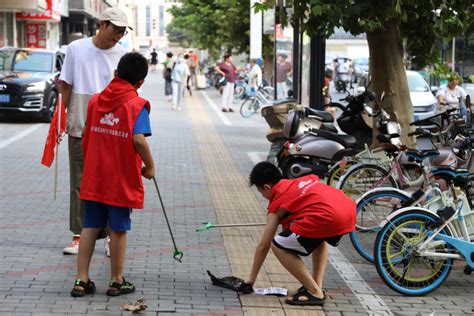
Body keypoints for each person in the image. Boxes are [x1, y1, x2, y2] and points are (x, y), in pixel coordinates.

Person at [71, 52, 155, 298]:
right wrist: (150, 167)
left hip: (95, 176)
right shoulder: (136, 105)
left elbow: (88, 134)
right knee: (118, 229)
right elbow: (138, 139)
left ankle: (81, 280)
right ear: (140, 82)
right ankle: (117, 281)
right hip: (120, 180)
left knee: (89, 226)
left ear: (116, 74)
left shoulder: (95, 101)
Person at [59, 7, 129, 255]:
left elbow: (129, 94)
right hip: (80, 125)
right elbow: (65, 86)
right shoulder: (76, 49)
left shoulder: (124, 54)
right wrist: (62, 119)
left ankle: (111, 235)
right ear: (102, 24)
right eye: (116, 29)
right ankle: (79, 235)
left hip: (112, 131)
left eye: (122, 31)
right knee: (78, 183)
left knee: (110, 184)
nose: (118, 36)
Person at [243, 162, 356, 306]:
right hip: (348, 209)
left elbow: (264, 245)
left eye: (260, 191)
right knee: (318, 237)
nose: (263, 195)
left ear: (267, 187)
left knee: (278, 245)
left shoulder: (278, 203)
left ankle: (314, 292)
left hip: (329, 217)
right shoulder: (299, 181)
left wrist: (251, 279)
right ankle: (316, 284)